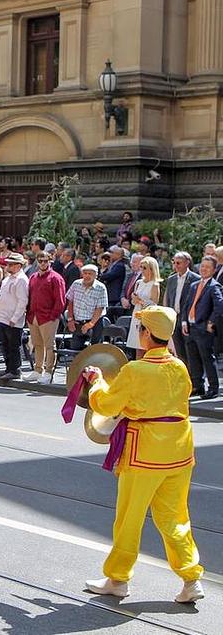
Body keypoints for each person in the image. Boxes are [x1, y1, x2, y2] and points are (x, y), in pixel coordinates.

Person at [81, 306, 204, 604]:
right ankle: (190, 579)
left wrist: (96, 381)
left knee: (129, 518)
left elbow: (106, 405)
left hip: (144, 452)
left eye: (141, 330)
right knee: (175, 518)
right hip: (179, 451)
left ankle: (118, 579)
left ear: (147, 334)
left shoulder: (135, 370)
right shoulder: (179, 367)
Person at [181, 255, 223, 399]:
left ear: (213, 269)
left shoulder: (214, 286)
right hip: (191, 327)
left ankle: (213, 388)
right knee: (193, 358)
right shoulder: (194, 285)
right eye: (202, 266)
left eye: (207, 267)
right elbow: (187, 305)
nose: (203, 269)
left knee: (207, 358)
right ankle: (198, 386)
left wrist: (211, 322)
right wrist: (184, 321)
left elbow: (219, 306)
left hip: (203, 327)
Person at [24, 250, 66, 384]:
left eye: (45, 261)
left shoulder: (56, 278)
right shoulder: (33, 277)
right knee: (37, 344)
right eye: (40, 261)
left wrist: (53, 316)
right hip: (33, 316)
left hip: (48, 317)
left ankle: (48, 372)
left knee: (49, 345)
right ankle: (37, 370)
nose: (42, 263)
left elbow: (60, 300)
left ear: (50, 261)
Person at [0, 253, 29, 380]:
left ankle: (15, 370)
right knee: (4, 344)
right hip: (2, 316)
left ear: (18, 266)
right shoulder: (8, 278)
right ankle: (8, 368)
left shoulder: (21, 280)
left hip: (12, 319)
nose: (8, 266)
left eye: (11, 264)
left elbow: (22, 301)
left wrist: (15, 318)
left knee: (13, 345)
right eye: (8, 263)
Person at [161, 252, 200, 365]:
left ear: (187, 263)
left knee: (191, 350)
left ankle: (194, 378)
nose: (176, 265)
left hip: (188, 319)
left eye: (179, 263)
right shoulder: (171, 279)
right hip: (174, 318)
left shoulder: (195, 279)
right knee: (179, 350)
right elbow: (167, 298)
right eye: (174, 263)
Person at [125, 257, 162, 358]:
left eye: (145, 268)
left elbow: (154, 304)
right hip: (137, 314)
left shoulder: (155, 284)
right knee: (136, 344)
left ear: (151, 269)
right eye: (141, 267)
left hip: (148, 316)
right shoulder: (138, 283)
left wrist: (140, 301)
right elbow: (133, 301)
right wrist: (134, 299)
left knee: (146, 344)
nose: (142, 270)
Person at [66, 264, 108, 350]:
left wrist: (90, 324)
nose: (87, 276)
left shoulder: (101, 288)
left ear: (96, 275)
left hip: (95, 322)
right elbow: (70, 301)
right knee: (75, 349)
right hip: (78, 321)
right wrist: (70, 319)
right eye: (85, 273)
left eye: (90, 273)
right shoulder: (76, 284)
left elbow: (100, 308)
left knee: (94, 350)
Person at [100, 246, 128, 317]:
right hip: (110, 295)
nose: (110, 255)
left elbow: (110, 276)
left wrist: (100, 275)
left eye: (111, 253)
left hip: (114, 296)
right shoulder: (114, 264)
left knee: (109, 315)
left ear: (118, 255)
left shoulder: (119, 266)